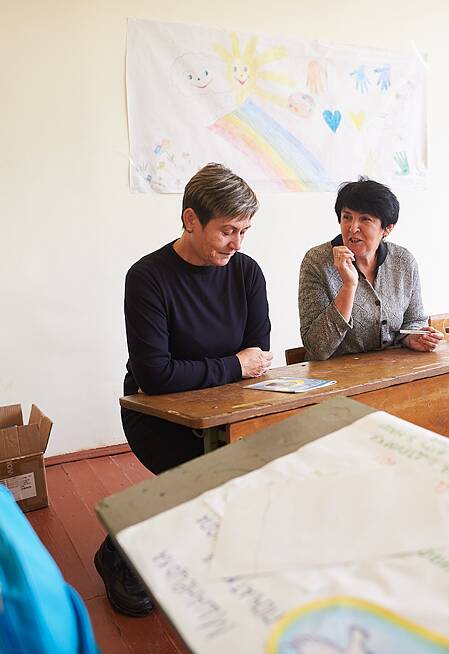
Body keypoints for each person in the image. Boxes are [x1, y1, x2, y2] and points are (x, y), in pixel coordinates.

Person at [96, 163, 273, 617]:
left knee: (268, 466)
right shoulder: (148, 277)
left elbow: (260, 353)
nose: (236, 244)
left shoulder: (247, 272)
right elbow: (155, 376)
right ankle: (119, 548)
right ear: (190, 220)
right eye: (227, 230)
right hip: (157, 414)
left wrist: (223, 369)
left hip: (228, 406)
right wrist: (232, 364)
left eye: (244, 231)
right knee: (218, 473)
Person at [298, 177, 442, 360]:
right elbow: (317, 347)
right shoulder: (317, 261)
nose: (353, 228)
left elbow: (414, 320)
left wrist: (413, 338)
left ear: (387, 228)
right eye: (347, 217)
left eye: (365, 219)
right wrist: (348, 287)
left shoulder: (403, 261)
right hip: (334, 379)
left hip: (391, 371)